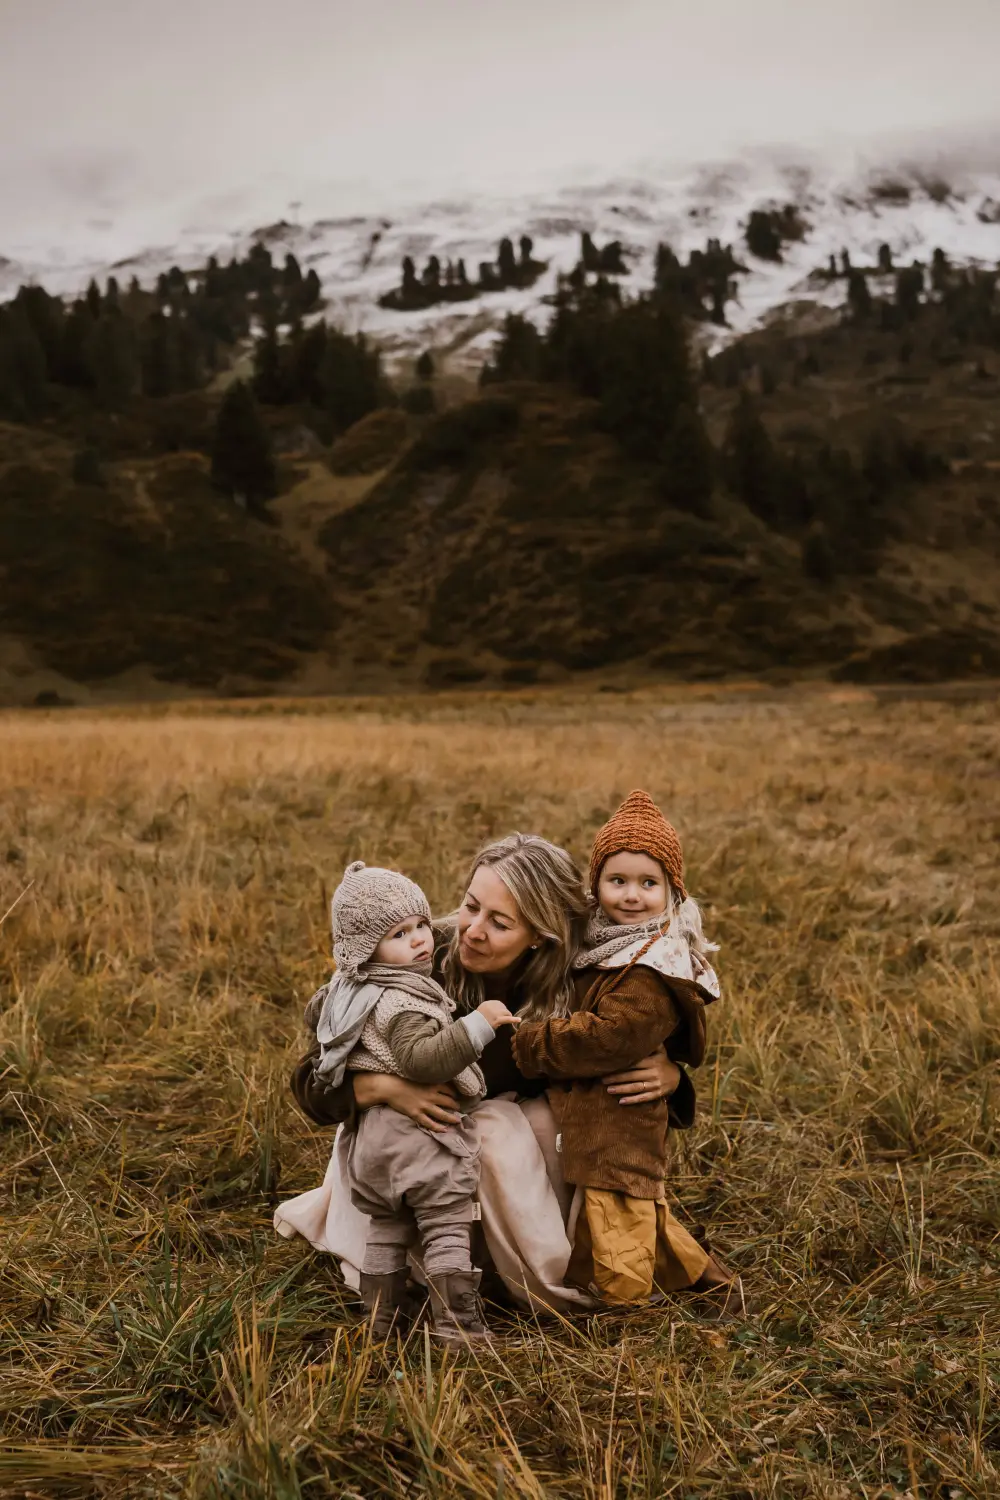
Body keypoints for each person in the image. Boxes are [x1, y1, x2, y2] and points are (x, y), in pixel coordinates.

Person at [275, 832, 700, 1315]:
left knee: (531, 1123)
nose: (473, 930)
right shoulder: (411, 959)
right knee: (494, 1130)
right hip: (408, 1149)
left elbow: (620, 1043)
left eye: (500, 923)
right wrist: (381, 1086)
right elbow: (311, 1082)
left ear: (541, 934)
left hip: (505, 1172)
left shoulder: (576, 984)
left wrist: (672, 1078)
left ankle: (521, 1267)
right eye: (470, 907)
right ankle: (424, 1270)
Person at [512, 789, 733, 1306]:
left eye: (648, 884)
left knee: (620, 1221)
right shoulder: (600, 943)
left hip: (620, 1121)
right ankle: (704, 1284)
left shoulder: (655, 966)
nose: (631, 896)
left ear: (672, 893)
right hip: (597, 1118)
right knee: (629, 1215)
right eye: (618, 881)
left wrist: (526, 1041)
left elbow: (607, 1038)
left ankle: (626, 1314)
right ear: (596, 886)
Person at [316, 860, 519, 1342]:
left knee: (387, 1228)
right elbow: (423, 1059)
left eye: (422, 925)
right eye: (400, 934)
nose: (420, 940)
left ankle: (381, 1324)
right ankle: (457, 1326)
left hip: (374, 1145)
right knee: (446, 1224)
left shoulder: (349, 994)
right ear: (367, 951)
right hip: (419, 1138)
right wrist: (480, 1023)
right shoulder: (401, 999)